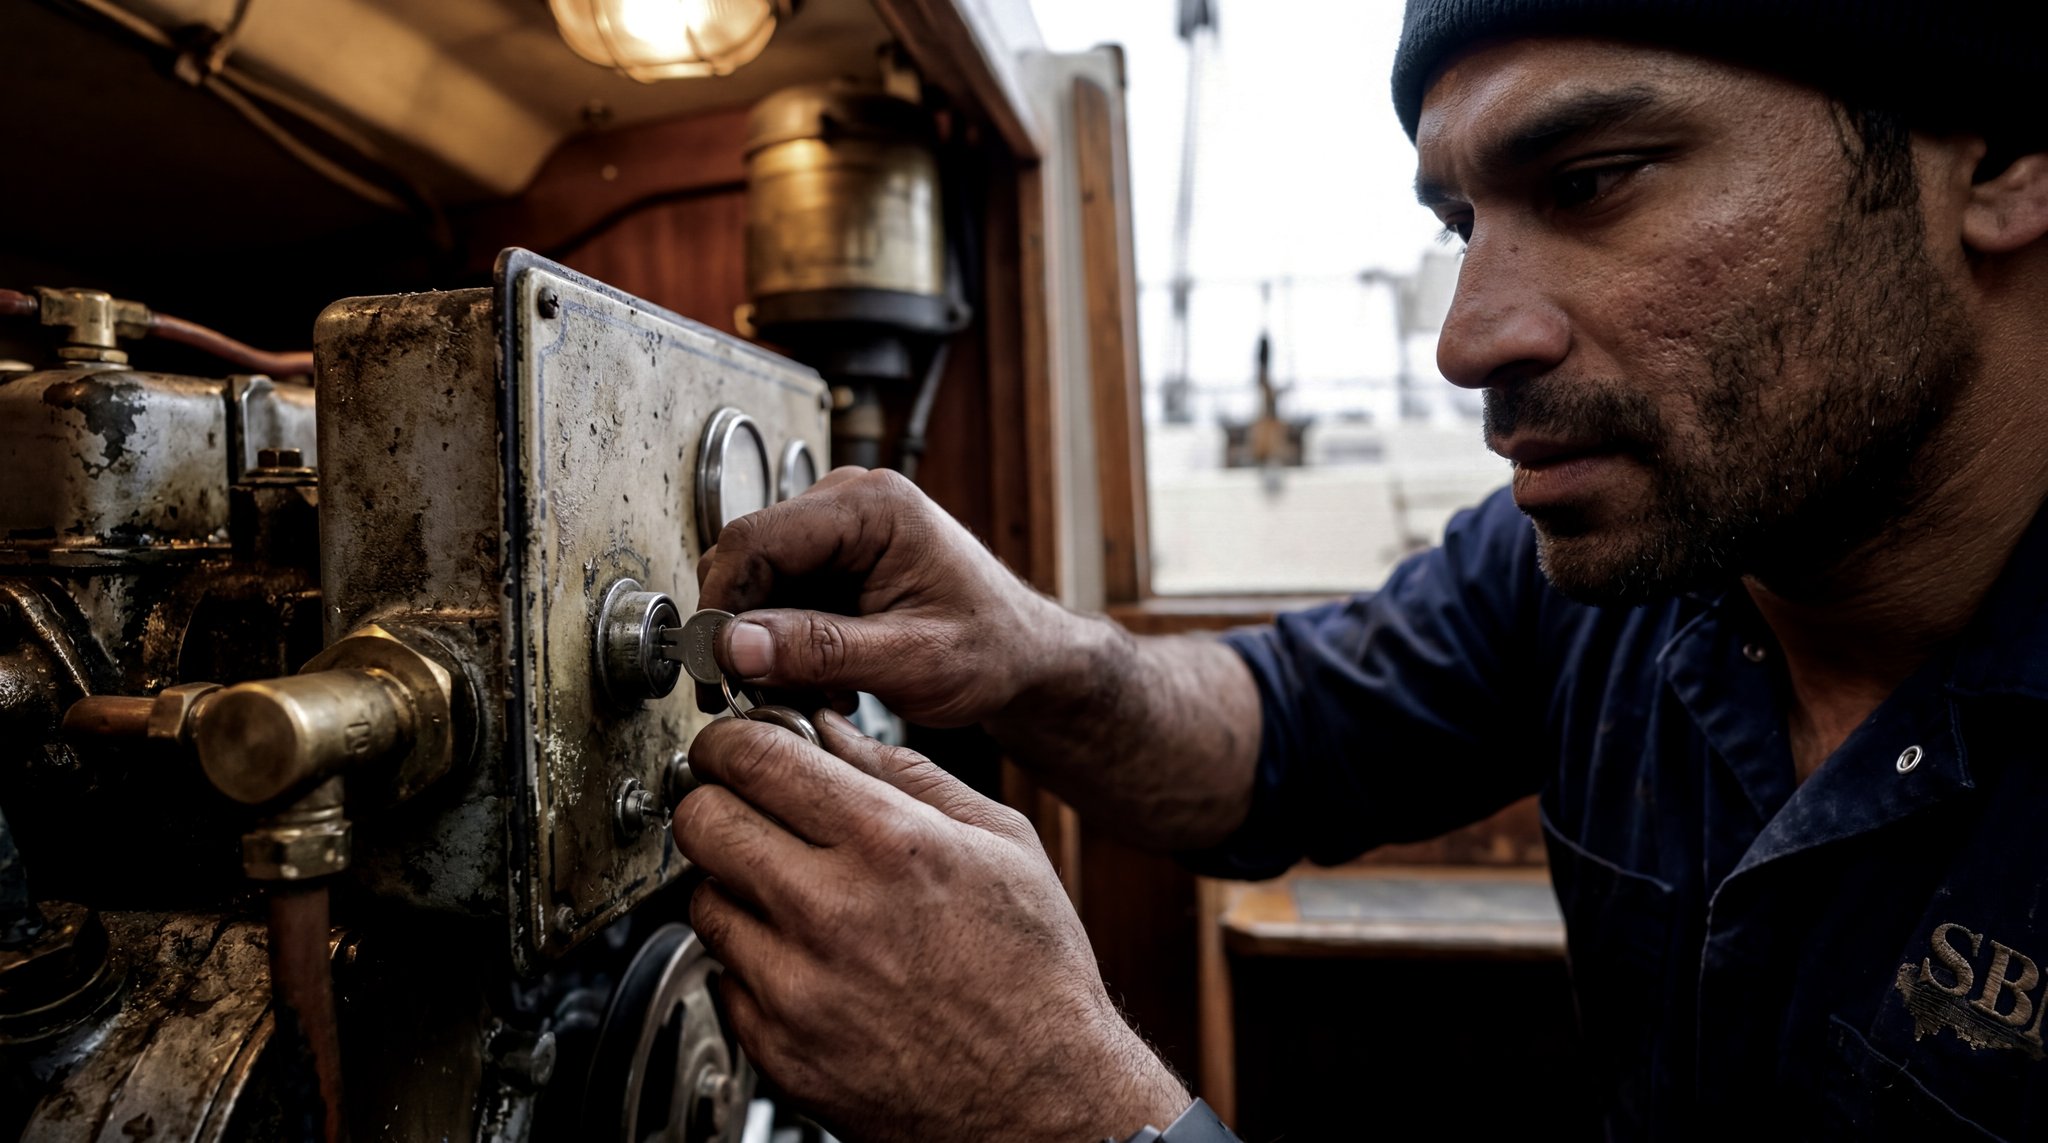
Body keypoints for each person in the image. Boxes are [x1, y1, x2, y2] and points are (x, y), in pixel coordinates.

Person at [670, 1, 2048, 1138]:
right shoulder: (1623, 566)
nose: (1468, 338)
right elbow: (1279, 734)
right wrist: (1024, 652)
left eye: (1592, 182)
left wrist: (1068, 1109)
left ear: (1998, 160)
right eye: (1462, 224)